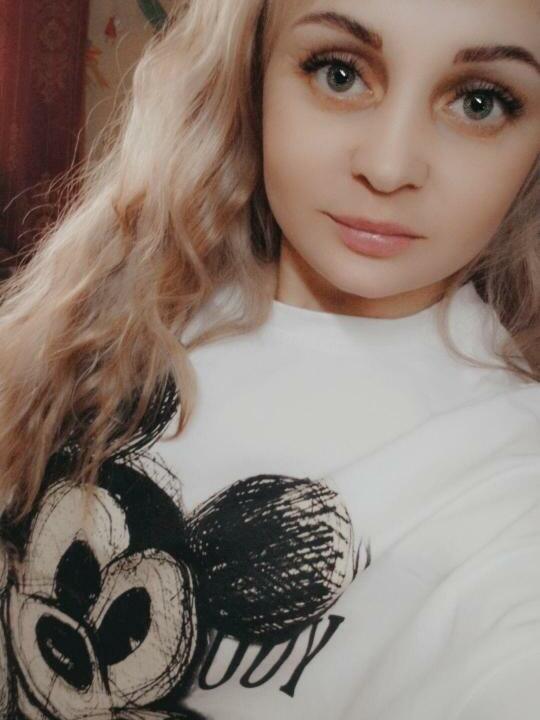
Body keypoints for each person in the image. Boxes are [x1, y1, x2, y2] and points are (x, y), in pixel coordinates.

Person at [0, 0, 538, 718]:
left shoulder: (510, 483)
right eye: (340, 73)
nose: (388, 167)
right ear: (253, 74)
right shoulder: (117, 297)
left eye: (480, 102)